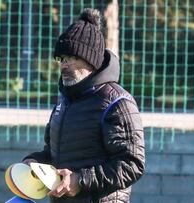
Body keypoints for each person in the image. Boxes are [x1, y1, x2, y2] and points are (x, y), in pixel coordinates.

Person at [23, 8, 145, 203]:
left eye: (72, 58)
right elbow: (55, 154)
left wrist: (81, 180)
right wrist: (35, 162)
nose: (64, 65)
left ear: (90, 61)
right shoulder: (64, 101)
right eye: (61, 59)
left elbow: (132, 164)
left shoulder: (117, 102)